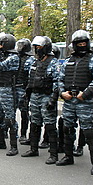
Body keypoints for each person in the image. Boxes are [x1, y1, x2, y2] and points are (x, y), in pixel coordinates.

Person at [56, 30, 93, 175]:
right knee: (67, 129)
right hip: (69, 101)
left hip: (85, 101)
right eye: (79, 43)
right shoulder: (68, 61)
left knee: (89, 132)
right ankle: (68, 156)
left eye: (84, 43)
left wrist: (86, 93)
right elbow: (60, 79)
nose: (81, 45)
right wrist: (61, 92)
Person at [21, 36, 59, 164]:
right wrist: (27, 95)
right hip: (35, 95)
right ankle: (33, 148)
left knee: (49, 124)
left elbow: (57, 82)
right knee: (35, 122)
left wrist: (53, 99)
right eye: (35, 47)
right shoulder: (34, 62)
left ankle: (54, 154)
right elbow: (30, 80)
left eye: (39, 47)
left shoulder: (54, 62)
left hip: (46, 95)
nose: (37, 50)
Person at [0, 34, 20, 156]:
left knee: (10, 118)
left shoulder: (14, 57)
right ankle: (0, 141)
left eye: (1, 44)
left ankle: (13, 146)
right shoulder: (2, 56)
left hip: (8, 90)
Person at [15, 38, 32, 145]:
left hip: (23, 88)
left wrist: (27, 90)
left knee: (24, 112)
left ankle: (23, 134)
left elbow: (31, 77)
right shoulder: (15, 57)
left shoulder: (30, 60)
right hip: (13, 87)